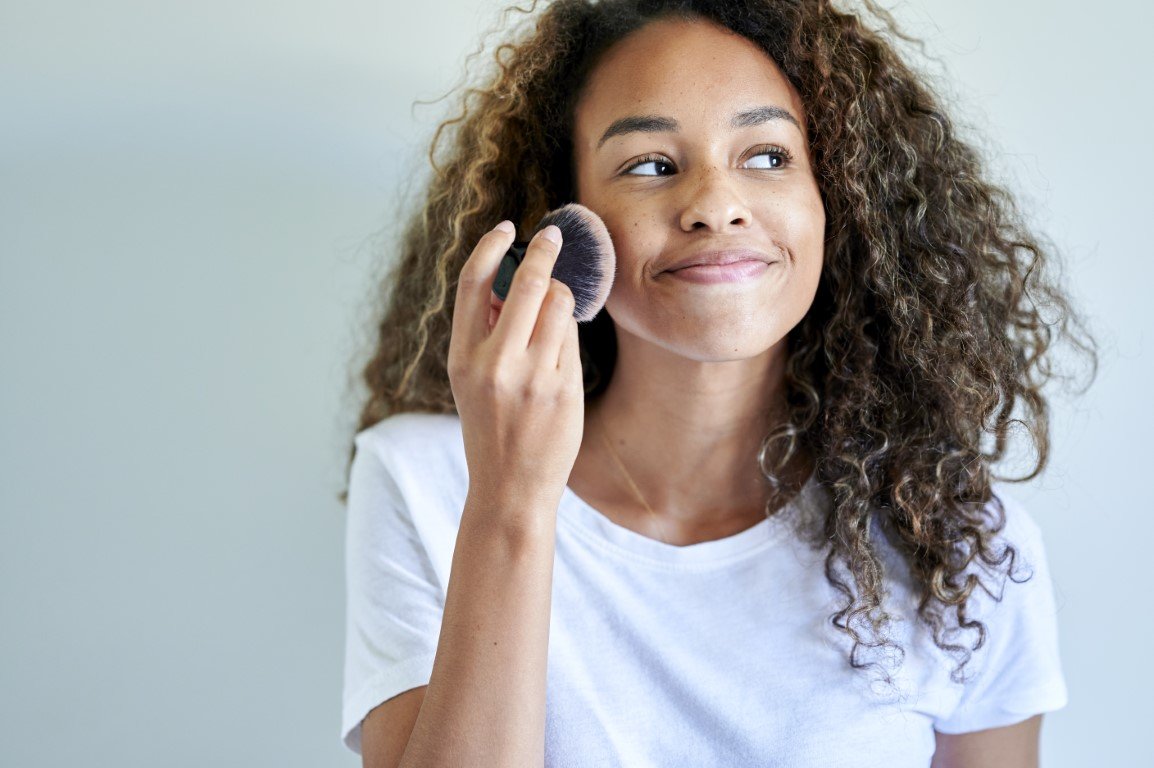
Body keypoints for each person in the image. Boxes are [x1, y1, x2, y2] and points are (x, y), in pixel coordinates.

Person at [340, 1, 1097, 765]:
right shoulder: (425, 478)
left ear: (839, 197)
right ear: (562, 228)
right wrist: (512, 499)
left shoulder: (955, 541)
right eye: (650, 165)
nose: (714, 206)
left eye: (767, 156)